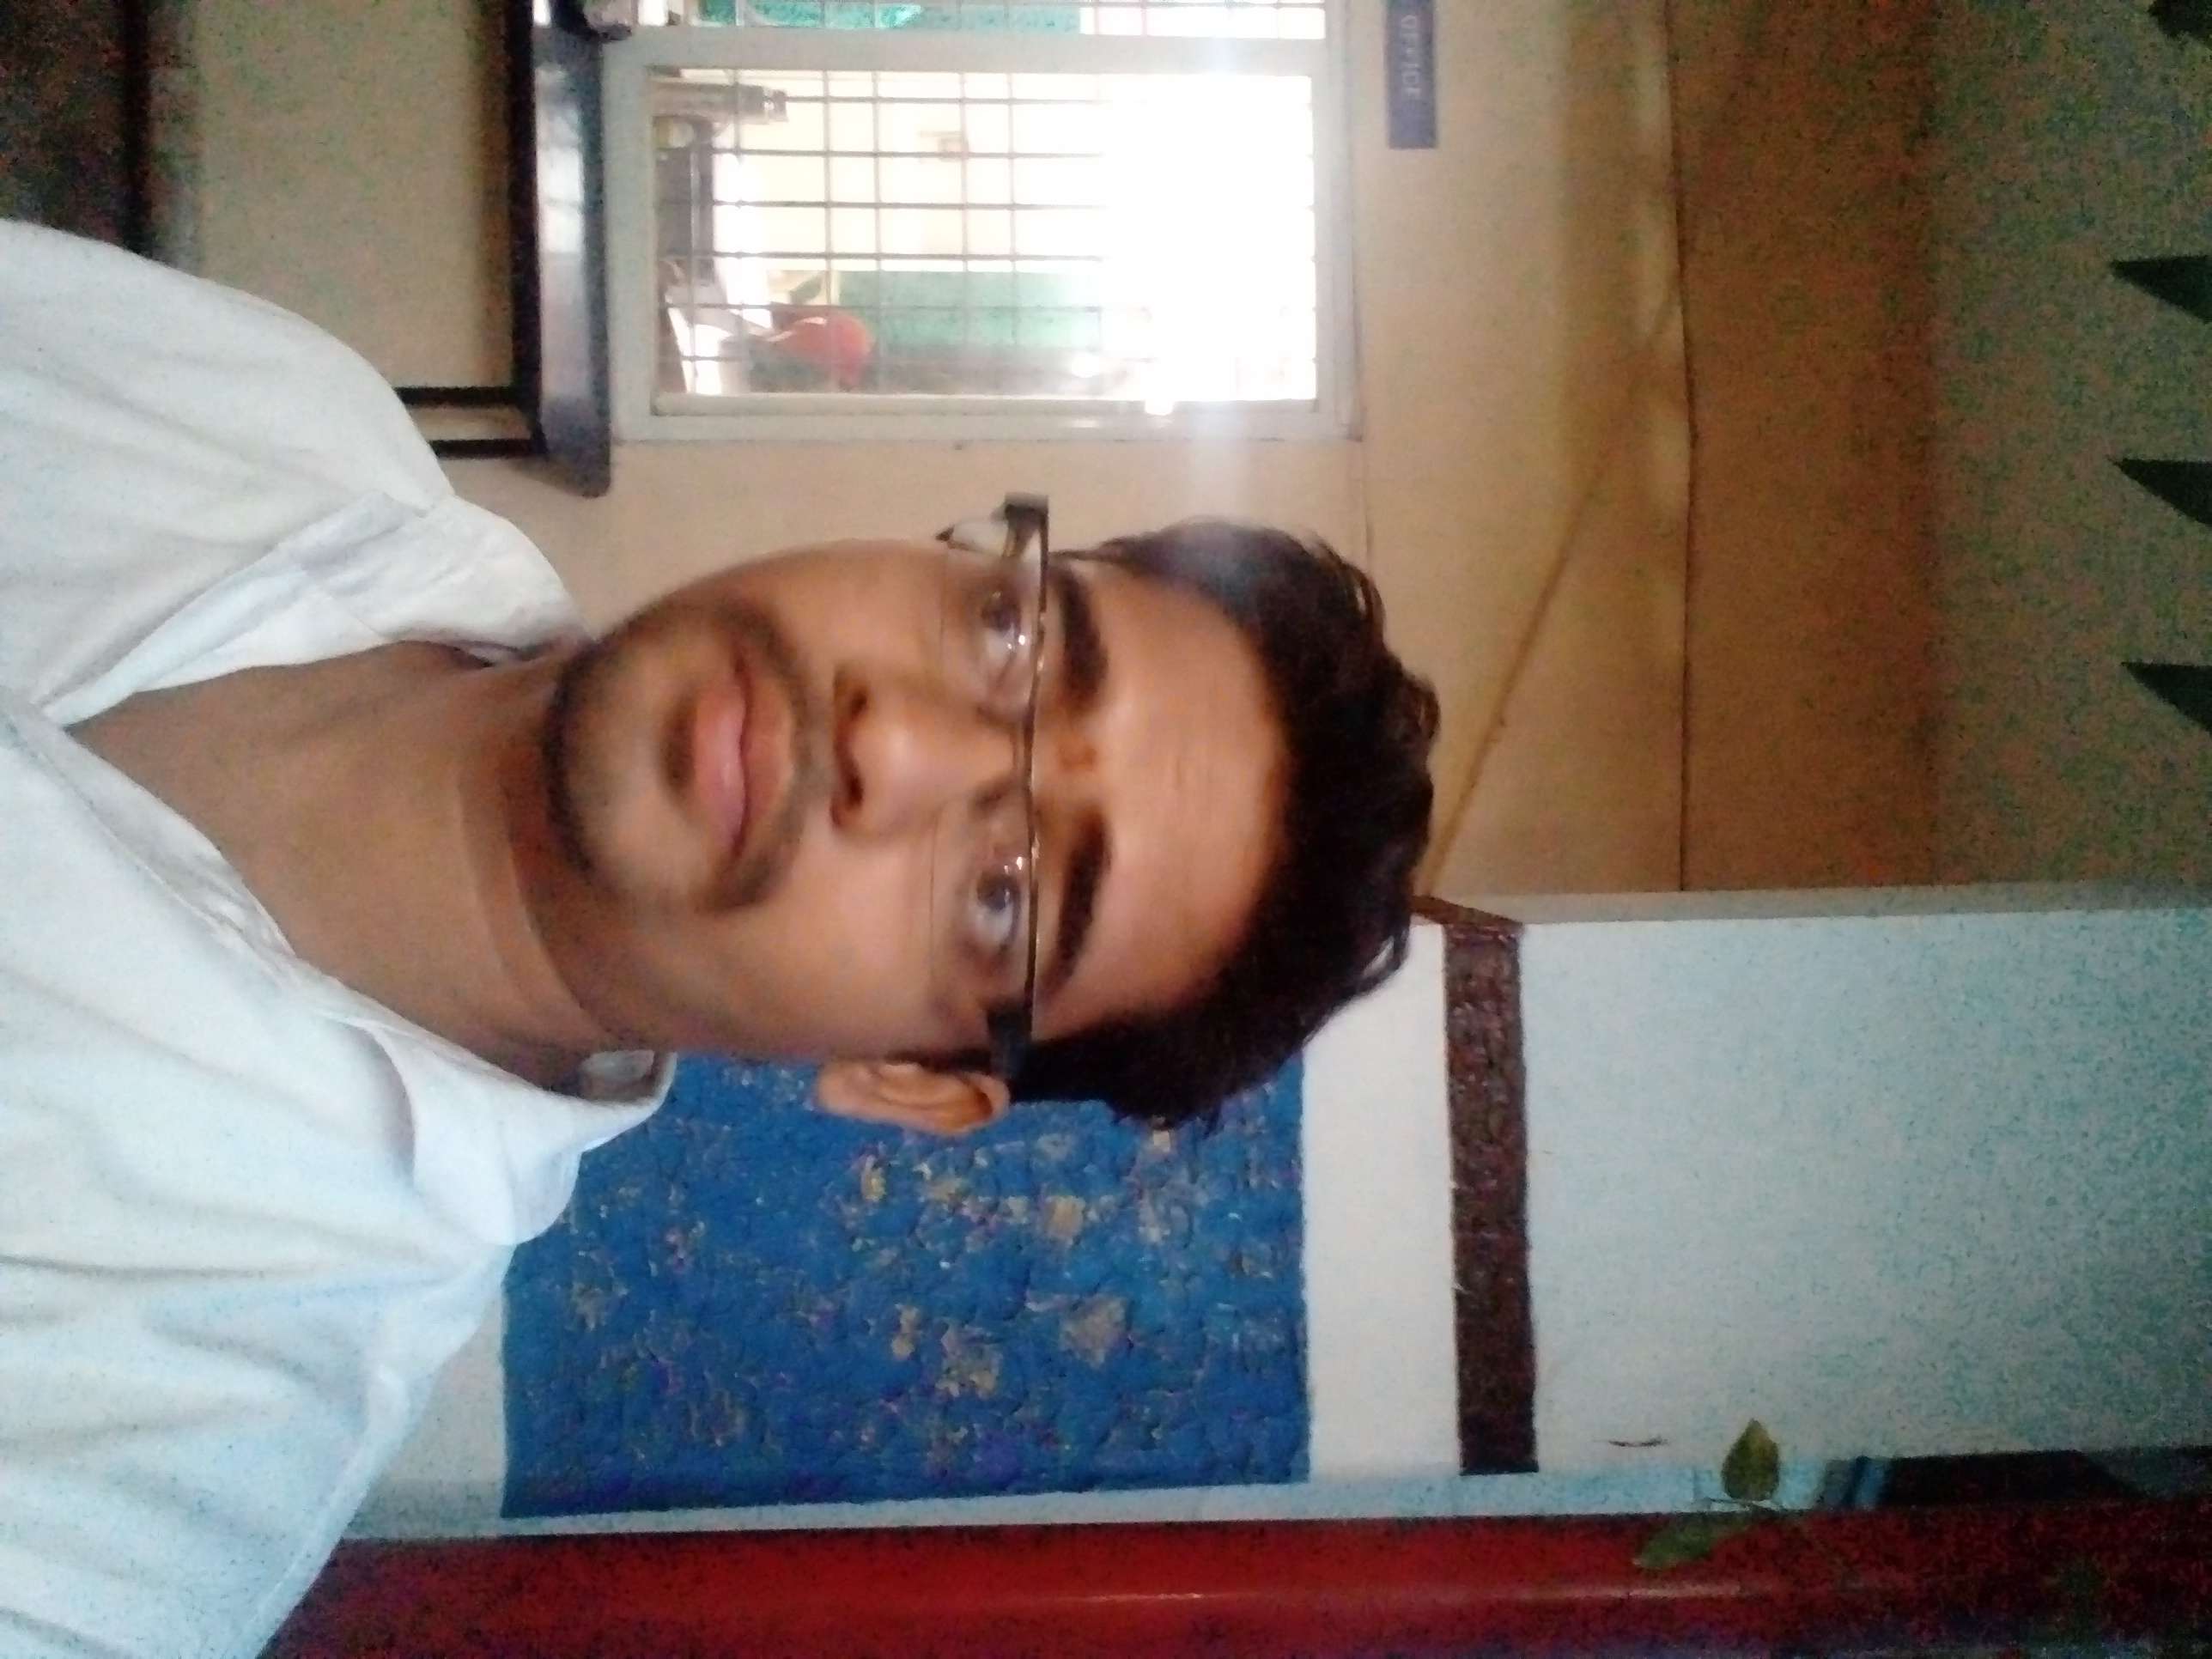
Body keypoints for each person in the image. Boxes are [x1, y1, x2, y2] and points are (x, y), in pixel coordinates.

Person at [0, 222, 1437, 1656]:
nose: (895, 740)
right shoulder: (267, 404)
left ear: (909, 1080)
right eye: (1014, 638)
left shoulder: (150, 1456)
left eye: (1005, 895)